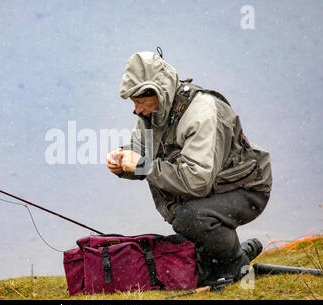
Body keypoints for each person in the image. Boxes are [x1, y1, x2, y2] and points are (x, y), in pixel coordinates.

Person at [106, 51, 272, 286]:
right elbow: (139, 147)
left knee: (191, 219)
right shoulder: (153, 111)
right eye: (134, 103)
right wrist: (122, 160)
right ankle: (238, 253)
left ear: (158, 92)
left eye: (140, 102)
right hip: (214, 188)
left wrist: (142, 167)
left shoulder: (201, 113)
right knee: (189, 250)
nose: (137, 110)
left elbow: (197, 180)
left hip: (246, 186)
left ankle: (238, 266)